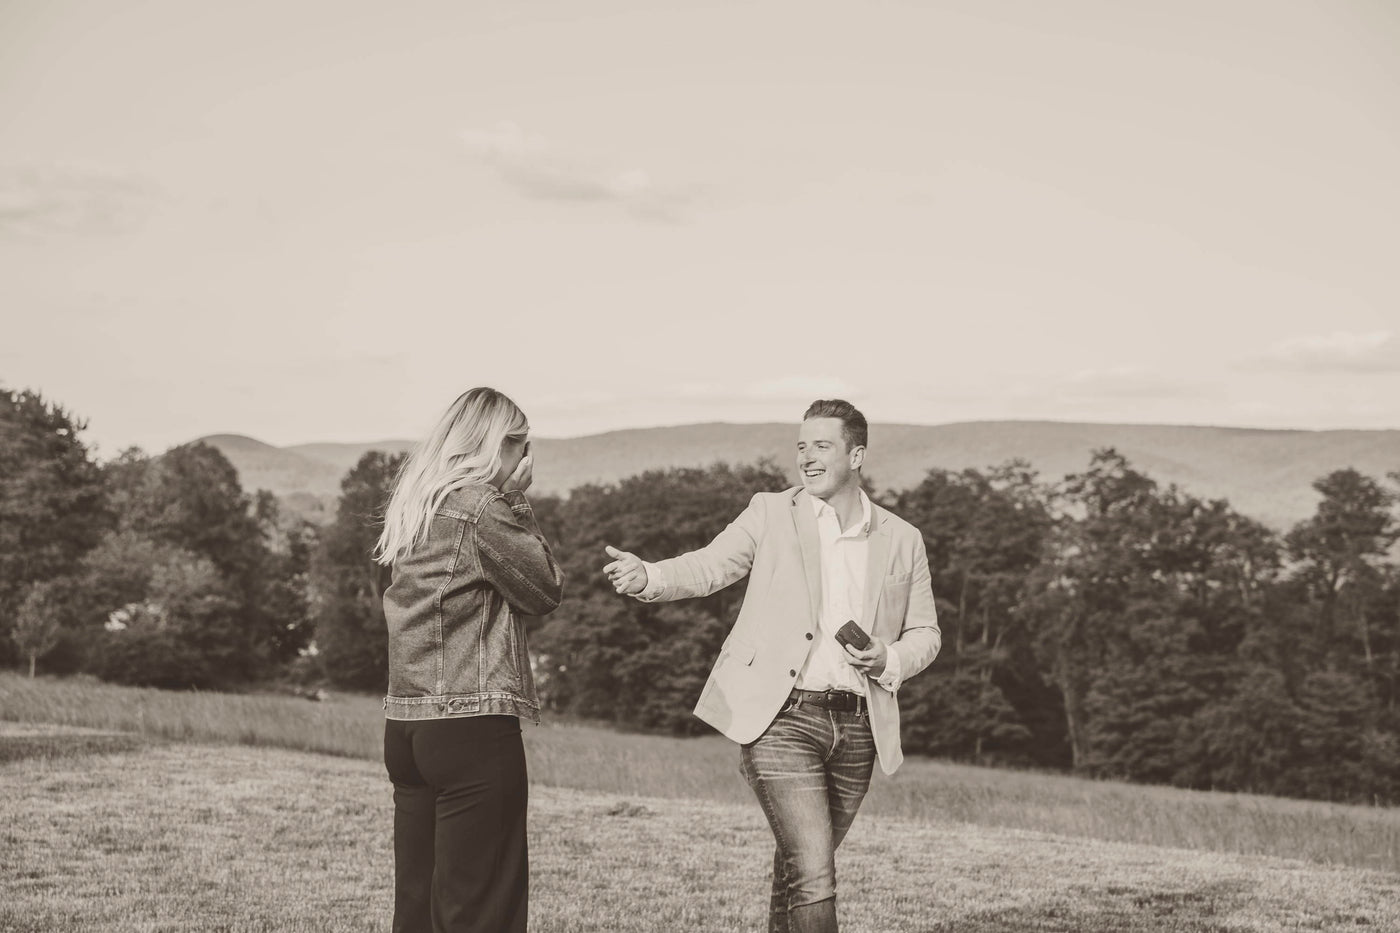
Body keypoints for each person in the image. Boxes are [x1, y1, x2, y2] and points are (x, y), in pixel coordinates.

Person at [603, 399, 940, 933]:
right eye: (801, 446)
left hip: (859, 727)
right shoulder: (769, 511)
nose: (806, 458)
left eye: (821, 446)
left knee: (798, 872)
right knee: (814, 869)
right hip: (782, 718)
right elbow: (710, 565)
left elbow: (927, 633)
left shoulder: (903, 538)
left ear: (857, 455)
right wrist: (650, 577)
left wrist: (890, 656)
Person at [375, 387, 565, 933]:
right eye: (521, 446)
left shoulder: (416, 505)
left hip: (407, 728)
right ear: (496, 445)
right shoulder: (480, 508)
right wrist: (517, 501)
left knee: (417, 905)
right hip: (471, 725)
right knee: (482, 908)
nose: (526, 460)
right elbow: (544, 588)